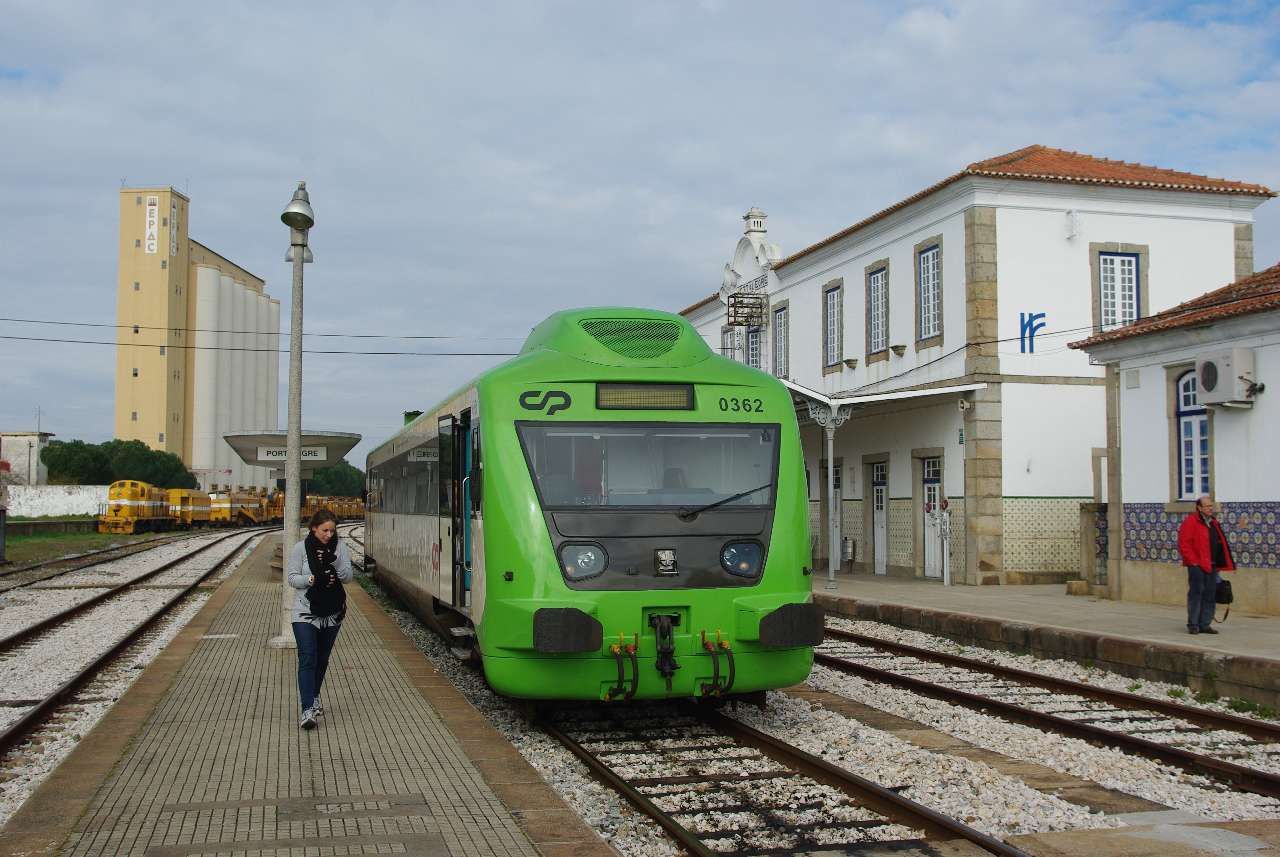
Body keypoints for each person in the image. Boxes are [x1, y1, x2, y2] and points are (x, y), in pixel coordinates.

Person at [287, 509, 353, 729]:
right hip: (304, 611)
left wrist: (334, 561)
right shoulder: (300, 549)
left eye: (332, 531)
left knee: (322, 659)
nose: (328, 535)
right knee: (308, 657)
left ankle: (314, 695)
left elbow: (348, 577)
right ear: (314, 528)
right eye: (325, 530)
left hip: (332, 612)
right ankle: (307, 709)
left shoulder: (340, 548)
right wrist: (312, 578)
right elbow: (292, 578)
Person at [1177, 496, 1235, 636]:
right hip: (1197, 565)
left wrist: (1223, 563)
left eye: (1211, 505)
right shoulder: (1191, 521)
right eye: (1207, 506)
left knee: (1210, 595)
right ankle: (1193, 624)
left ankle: (1205, 624)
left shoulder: (1213, 522)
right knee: (1196, 594)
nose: (1211, 508)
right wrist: (1193, 562)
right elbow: (1184, 544)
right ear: (1199, 507)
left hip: (1212, 565)